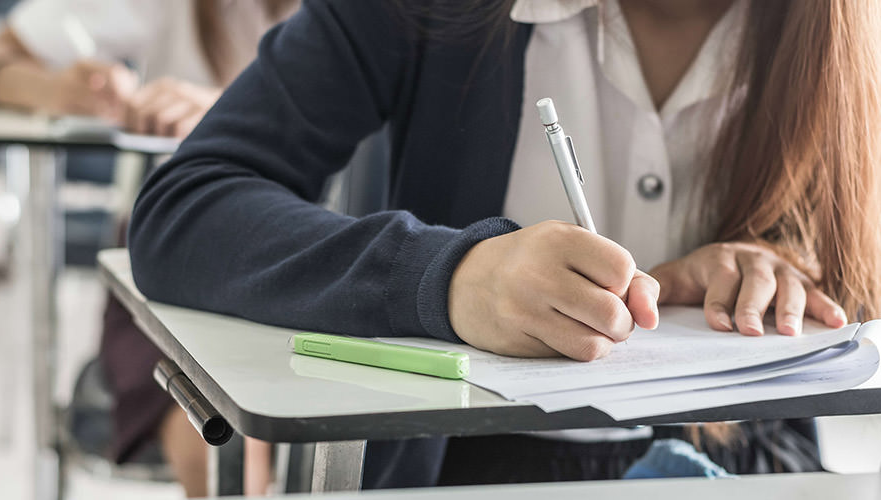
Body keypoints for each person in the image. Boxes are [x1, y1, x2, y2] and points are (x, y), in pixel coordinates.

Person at [128, 0, 881, 488]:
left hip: (745, 461)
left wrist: (777, 261)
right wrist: (452, 278)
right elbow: (186, 209)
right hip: (460, 464)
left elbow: (857, 280)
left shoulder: (846, 33)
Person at [0, 0, 298, 496]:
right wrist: (56, 90)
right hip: (185, 260)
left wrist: (230, 110)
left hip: (322, 255)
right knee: (221, 442)